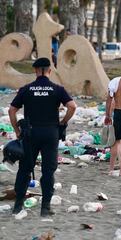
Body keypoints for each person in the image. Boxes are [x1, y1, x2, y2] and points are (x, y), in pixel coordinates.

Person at [8, 57, 77, 216]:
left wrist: (17, 131)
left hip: (30, 134)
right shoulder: (57, 89)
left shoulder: (26, 89)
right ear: (49, 71)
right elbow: (72, 106)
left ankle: (18, 206)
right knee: (48, 171)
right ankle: (45, 208)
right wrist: (63, 122)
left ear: (35, 70)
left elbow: (12, 110)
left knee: (24, 169)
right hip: (50, 133)